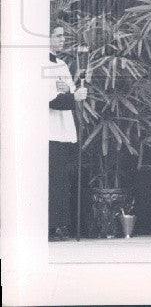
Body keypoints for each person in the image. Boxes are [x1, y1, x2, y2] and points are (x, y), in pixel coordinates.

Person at [48, 25, 87, 241]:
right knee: (52, 180)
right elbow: (51, 99)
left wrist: (74, 94)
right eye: (58, 36)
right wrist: (73, 96)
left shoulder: (61, 64)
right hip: (49, 130)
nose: (63, 39)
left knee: (62, 180)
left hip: (63, 129)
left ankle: (59, 225)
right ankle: (49, 226)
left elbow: (68, 90)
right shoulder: (39, 63)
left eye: (64, 36)